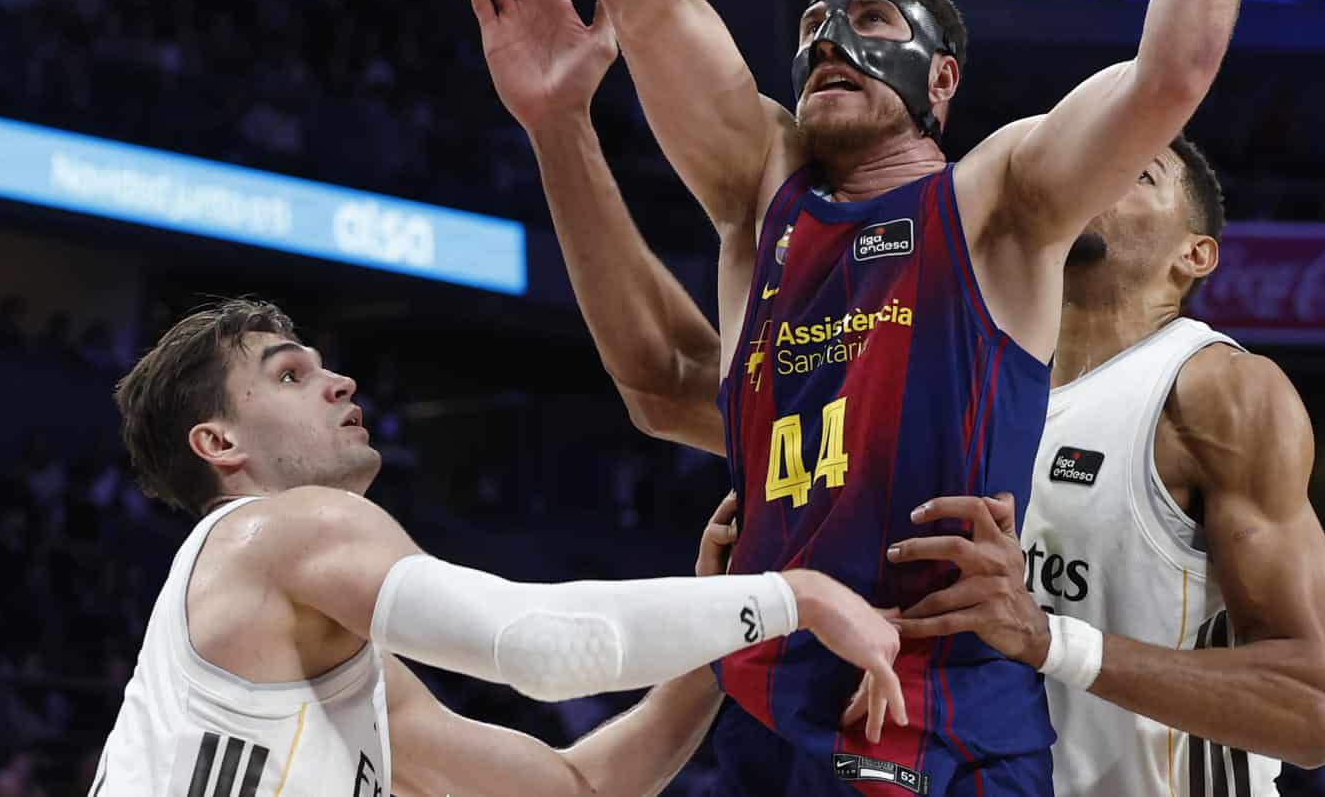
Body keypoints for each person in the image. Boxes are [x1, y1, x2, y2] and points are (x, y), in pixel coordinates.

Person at [470, 0, 1283, 795]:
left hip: (940, 720)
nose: (830, 42)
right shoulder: (762, 193)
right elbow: (643, 1)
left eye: (869, 20)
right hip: (770, 708)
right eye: (812, 26)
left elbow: (1175, 69)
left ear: (940, 81)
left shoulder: (997, 199)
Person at [464, 0, 1325, 797]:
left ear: (1196, 253)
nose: (1112, 172)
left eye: (1143, 174)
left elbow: (1312, 706)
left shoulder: (1207, 390)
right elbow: (670, 384)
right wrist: (754, 600)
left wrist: (1051, 639)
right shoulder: (938, 356)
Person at [89, 298, 905, 796]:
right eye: (290, 376)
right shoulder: (281, 528)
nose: (340, 381)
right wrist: (797, 595)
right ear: (219, 442)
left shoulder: (340, 679)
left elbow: (577, 788)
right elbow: (538, 644)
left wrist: (723, 629)